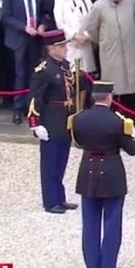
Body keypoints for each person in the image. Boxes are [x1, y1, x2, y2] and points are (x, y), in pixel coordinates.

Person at [69, 80, 135, 268]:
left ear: (93, 97)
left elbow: (77, 142)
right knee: (111, 221)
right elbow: (132, 150)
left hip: (88, 170)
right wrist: (132, 135)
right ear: (110, 98)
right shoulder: (117, 121)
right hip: (111, 172)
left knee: (90, 222)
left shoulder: (79, 119)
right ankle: (107, 266)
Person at [27, 29, 89, 214]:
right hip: (51, 119)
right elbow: (34, 98)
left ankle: (59, 198)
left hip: (65, 119)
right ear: (51, 48)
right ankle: (50, 201)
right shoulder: (44, 70)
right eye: (61, 46)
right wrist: (35, 123)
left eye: (65, 45)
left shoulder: (65, 66)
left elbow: (78, 86)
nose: (65, 49)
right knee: (50, 163)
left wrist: (83, 76)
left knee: (61, 160)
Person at [84, 0, 135, 113]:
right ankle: (112, 113)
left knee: (131, 82)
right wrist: (103, 41)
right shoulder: (98, 6)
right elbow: (91, 28)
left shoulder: (130, 1)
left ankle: (130, 113)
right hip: (110, 52)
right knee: (113, 84)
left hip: (129, 48)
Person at [1, 0, 46, 124]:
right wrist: (23, 28)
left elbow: (43, 13)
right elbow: (5, 17)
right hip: (18, 39)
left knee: (35, 74)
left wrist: (42, 25)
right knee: (20, 74)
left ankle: (32, 106)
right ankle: (17, 108)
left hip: (35, 40)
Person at [53, 0, 96, 74]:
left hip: (85, 43)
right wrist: (75, 36)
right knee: (72, 74)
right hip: (70, 45)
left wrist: (85, 36)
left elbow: (93, 20)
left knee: (86, 74)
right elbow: (60, 23)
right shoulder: (59, 0)